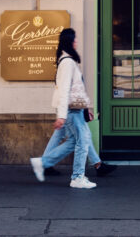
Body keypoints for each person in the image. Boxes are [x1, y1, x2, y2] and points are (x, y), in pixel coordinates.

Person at [30, 29, 106, 189]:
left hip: (75, 109)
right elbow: (64, 90)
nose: (77, 41)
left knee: (75, 141)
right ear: (69, 42)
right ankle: (77, 177)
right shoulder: (67, 62)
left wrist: (84, 108)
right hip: (71, 110)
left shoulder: (68, 61)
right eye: (75, 39)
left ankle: (43, 162)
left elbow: (76, 89)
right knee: (83, 140)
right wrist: (61, 116)